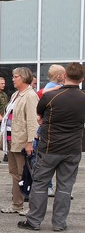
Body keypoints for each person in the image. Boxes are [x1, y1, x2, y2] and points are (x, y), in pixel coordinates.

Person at [18, 62, 85, 231]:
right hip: (73, 149)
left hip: (49, 148)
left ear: (65, 76)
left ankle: (34, 221)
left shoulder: (51, 96)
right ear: (82, 79)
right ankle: (59, 223)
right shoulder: (82, 98)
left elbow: (38, 114)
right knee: (65, 187)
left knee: (40, 183)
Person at [0, 67, 39, 215]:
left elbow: (32, 121)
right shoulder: (16, 94)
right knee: (15, 173)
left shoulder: (30, 96)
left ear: (23, 78)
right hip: (11, 140)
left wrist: (30, 142)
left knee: (26, 174)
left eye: (15, 77)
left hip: (22, 142)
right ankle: (17, 204)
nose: (13, 79)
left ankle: (32, 206)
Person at [37, 64, 66, 197]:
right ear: (59, 76)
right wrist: (58, 88)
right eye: (64, 74)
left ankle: (60, 188)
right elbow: (44, 93)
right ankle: (49, 186)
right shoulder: (51, 86)